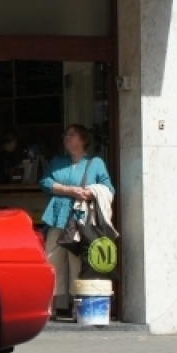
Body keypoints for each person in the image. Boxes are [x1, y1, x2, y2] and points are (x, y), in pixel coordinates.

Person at [39, 124, 114, 316]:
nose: (66, 138)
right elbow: (45, 182)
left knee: (76, 262)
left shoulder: (95, 163)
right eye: (65, 135)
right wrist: (69, 190)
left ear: (83, 140)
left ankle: (77, 307)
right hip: (57, 216)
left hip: (80, 218)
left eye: (71, 135)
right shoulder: (57, 161)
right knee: (52, 260)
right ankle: (50, 307)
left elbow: (109, 188)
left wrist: (90, 193)